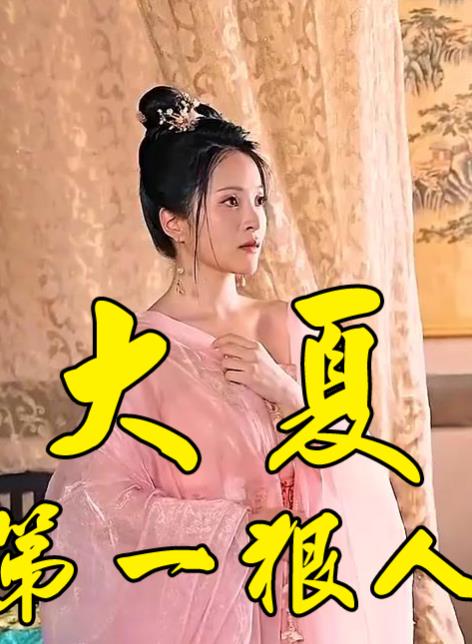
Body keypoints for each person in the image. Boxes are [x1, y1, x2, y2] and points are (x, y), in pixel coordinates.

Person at [40, 86, 413, 643]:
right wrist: (232, 526)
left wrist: (287, 393)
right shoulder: (137, 355)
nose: (254, 220)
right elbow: (99, 510)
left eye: (258, 200)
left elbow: (359, 476)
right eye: (230, 202)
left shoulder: (287, 325)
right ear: (174, 221)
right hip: (213, 617)